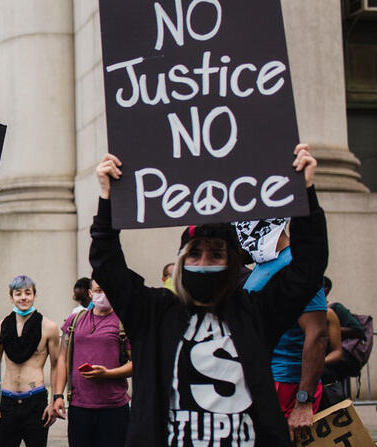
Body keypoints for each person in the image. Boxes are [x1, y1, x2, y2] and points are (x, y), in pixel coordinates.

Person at [90, 145, 327, 446]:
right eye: (195, 254)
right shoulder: (153, 313)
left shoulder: (255, 313)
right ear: (181, 261)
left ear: (231, 264)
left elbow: (308, 268)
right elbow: (107, 264)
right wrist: (108, 199)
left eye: (216, 255)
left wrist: (304, 192)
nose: (204, 263)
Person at [238, 218, 328, 437]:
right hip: (262, 383)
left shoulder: (295, 264)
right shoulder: (262, 265)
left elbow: (316, 333)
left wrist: (304, 402)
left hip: (286, 385)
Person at [51, 279, 132, 447]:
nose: (103, 295)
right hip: (80, 406)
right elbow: (62, 358)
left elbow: (136, 364)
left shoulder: (124, 322)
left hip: (113, 407)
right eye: (99, 290)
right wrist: (58, 395)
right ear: (90, 293)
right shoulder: (75, 320)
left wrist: (108, 374)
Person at [0, 275, 60, 447]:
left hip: (35, 400)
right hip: (8, 401)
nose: (24, 297)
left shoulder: (49, 327)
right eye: (18, 293)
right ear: (11, 297)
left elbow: (56, 366)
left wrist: (54, 401)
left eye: (28, 292)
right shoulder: (1, 326)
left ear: (35, 296)